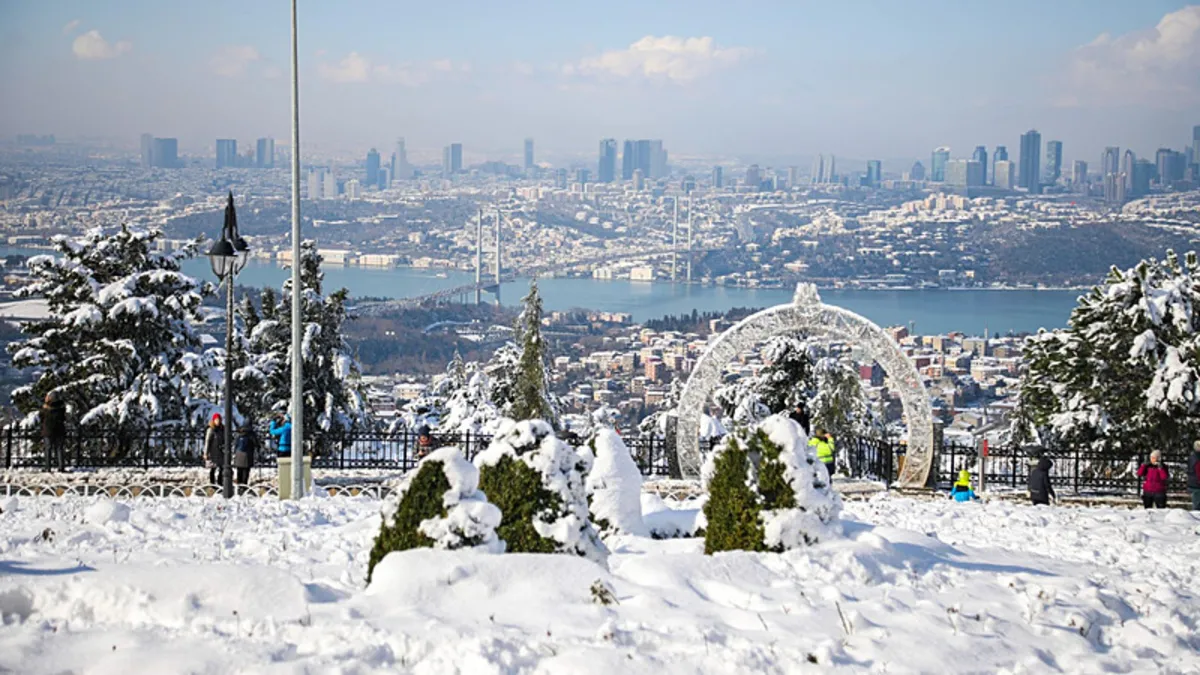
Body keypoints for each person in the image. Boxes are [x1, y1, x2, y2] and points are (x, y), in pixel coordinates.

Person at [41, 392, 66, 472]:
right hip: (60, 430)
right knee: (59, 449)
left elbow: (41, 416)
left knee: (48, 449)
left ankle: (47, 467)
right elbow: (63, 418)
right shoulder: (61, 408)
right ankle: (61, 467)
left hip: (48, 431)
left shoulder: (46, 408)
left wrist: (45, 403)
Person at [204, 413, 226, 487]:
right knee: (213, 468)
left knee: (221, 467)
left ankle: (220, 483)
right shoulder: (211, 429)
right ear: (214, 420)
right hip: (212, 452)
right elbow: (207, 441)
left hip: (220, 452)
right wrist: (206, 453)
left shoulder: (222, 429)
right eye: (216, 420)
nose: (218, 421)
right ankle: (212, 484)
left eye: (219, 420)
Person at [233, 424, 257, 488]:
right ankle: (244, 486)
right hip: (248, 454)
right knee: (246, 471)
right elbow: (255, 444)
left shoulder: (239, 434)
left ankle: (239, 485)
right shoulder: (251, 434)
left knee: (239, 471)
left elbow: (235, 444)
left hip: (239, 454)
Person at [1188, 440, 1200, 512]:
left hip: (1193, 482)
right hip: (1197, 483)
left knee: (1196, 502)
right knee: (1197, 505)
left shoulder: (1192, 457)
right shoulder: (1198, 457)